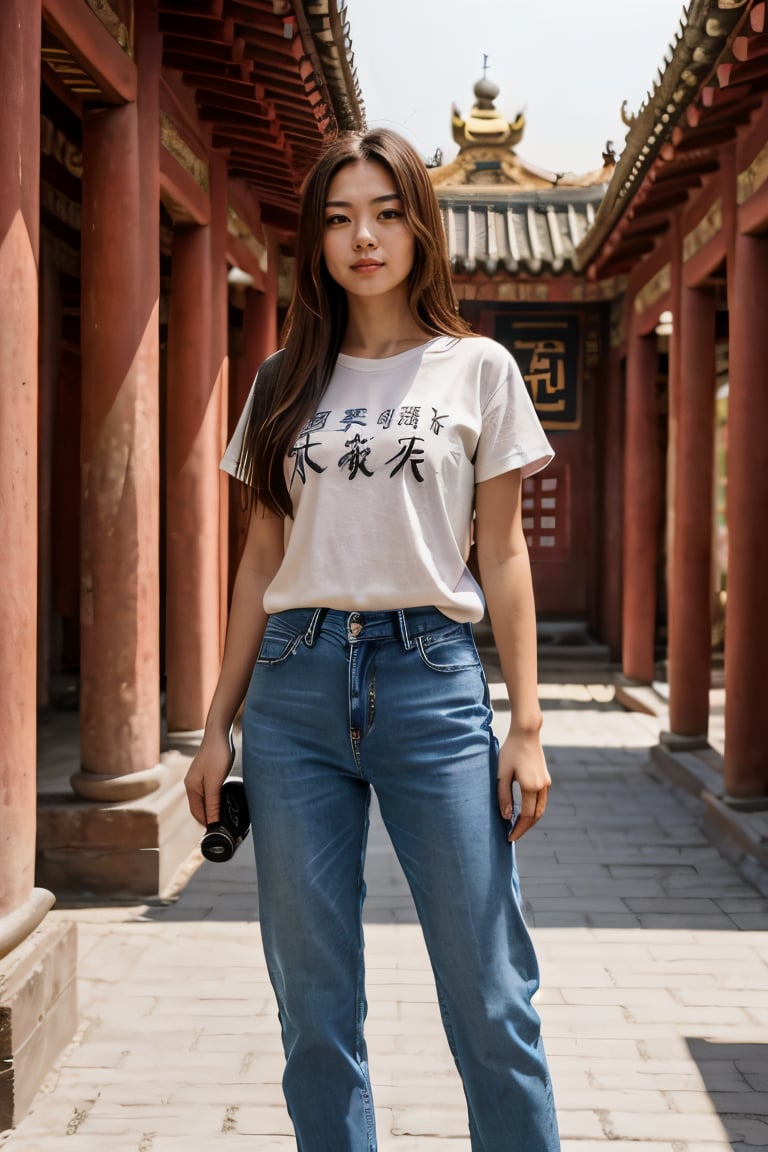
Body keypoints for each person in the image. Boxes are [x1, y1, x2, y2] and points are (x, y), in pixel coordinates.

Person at [184, 127, 560, 1152]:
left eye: (387, 213)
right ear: (315, 242)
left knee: (491, 996)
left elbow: (506, 556)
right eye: (341, 217)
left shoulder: (477, 369)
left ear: (419, 230)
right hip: (295, 690)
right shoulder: (280, 384)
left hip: (432, 684)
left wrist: (525, 724)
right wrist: (216, 727)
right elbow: (260, 562)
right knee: (314, 1007)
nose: (365, 237)